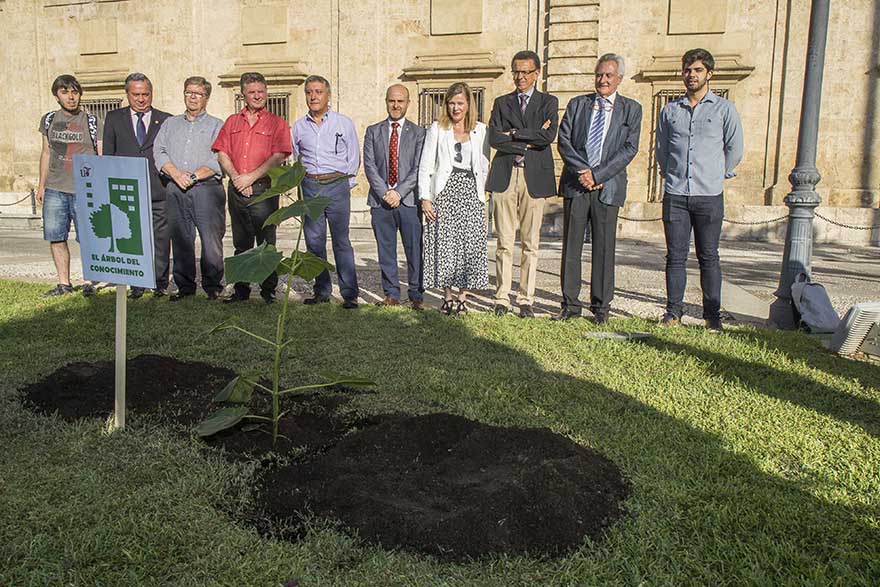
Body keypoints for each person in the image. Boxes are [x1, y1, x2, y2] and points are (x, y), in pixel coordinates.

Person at [656, 48, 743, 332]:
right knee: (675, 256)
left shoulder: (724, 109)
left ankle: (712, 316)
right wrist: (672, 175)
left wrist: (719, 174)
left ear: (709, 74)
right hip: (677, 194)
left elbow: (734, 147)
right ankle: (673, 313)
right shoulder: (670, 111)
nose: (691, 75)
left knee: (709, 256)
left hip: (708, 195)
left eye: (697, 70)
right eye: (687, 70)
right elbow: (662, 150)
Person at [555, 53, 642, 324]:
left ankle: (601, 307)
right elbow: (564, 140)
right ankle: (570, 303)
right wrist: (584, 172)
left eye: (608, 75)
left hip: (608, 187)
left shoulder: (631, 109)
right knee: (572, 246)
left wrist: (600, 174)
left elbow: (630, 147)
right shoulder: (578, 104)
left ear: (619, 79)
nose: (602, 80)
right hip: (576, 184)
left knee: (604, 248)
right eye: (599, 74)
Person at [487, 50, 559, 318]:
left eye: (526, 72)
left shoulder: (548, 101)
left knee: (531, 242)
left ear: (537, 73)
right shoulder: (502, 102)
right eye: (516, 71)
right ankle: (502, 297)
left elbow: (547, 136)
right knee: (504, 241)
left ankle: (526, 298)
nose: (520, 77)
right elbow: (495, 138)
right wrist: (530, 137)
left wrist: (514, 134)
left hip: (533, 178)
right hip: (505, 175)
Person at [212, 72, 292, 304]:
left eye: (261, 92)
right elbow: (222, 152)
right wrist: (237, 178)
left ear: (266, 93)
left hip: (263, 190)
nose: (257, 96)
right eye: (252, 92)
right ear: (243, 95)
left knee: (266, 244)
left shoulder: (277, 123)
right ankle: (241, 290)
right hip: (237, 190)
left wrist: (250, 178)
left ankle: (268, 291)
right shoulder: (231, 122)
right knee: (241, 243)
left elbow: (278, 155)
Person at [418, 82, 491, 316]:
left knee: (468, 245)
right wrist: (425, 198)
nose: (455, 108)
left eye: (460, 103)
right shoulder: (438, 128)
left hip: (471, 192)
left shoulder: (481, 130)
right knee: (446, 245)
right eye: (451, 103)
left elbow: (485, 163)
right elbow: (426, 165)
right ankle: (447, 297)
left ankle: (463, 298)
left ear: (469, 104)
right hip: (445, 191)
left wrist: (484, 193)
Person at [291, 75, 361, 309]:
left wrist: (344, 184)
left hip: (337, 186)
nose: (313, 96)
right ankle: (322, 290)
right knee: (314, 241)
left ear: (328, 95)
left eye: (318, 92)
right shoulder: (299, 127)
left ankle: (349, 293)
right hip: (311, 186)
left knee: (341, 240)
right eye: (309, 92)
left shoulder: (343, 123)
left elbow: (353, 157)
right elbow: (295, 156)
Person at [153, 76, 225, 301]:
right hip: (175, 188)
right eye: (189, 92)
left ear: (207, 97)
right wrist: (175, 174)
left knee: (210, 240)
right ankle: (185, 287)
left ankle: (212, 286)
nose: (193, 97)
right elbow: (159, 151)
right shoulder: (170, 124)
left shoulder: (217, 125)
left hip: (206, 188)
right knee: (181, 238)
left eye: (198, 94)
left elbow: (219, 158)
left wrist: (193, 176)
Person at [102, 73, 171, 298]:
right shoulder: (113, 118)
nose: (141, 99)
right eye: (136, 94)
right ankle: (137, 283)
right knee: (131, 239)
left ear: (151, 93)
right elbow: (108, 157)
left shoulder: (166, 119)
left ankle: (159, 283)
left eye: (145, 94)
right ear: (127, 94)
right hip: (126, 192)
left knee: (161, 239)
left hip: (158, 190)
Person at [36, 74, 103, 298]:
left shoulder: (93, 122)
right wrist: (41, 185)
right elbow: (46, 153)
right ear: (57, 96)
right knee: (56, 236)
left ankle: (89, 281)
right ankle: (64, 283)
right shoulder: (48, 120)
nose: (71, 97)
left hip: (84, 189)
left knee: (88, 238)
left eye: (74, 92)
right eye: (65, 92)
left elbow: (100, 156)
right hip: (55, 187)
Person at [363, 84, 427, 309]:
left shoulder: (419, 133)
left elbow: (419, 167)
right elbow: (369, 166)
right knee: (386, 250)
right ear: (386, 101)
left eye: (400, 101)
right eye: (392, 101)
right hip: (381, 203)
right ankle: (391, 295)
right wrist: (386, 193)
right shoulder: (373, 131)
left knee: (414, 250)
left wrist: (399, 192)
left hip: (408, 201)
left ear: (408, 103)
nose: (396, 105)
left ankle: (416, 294)